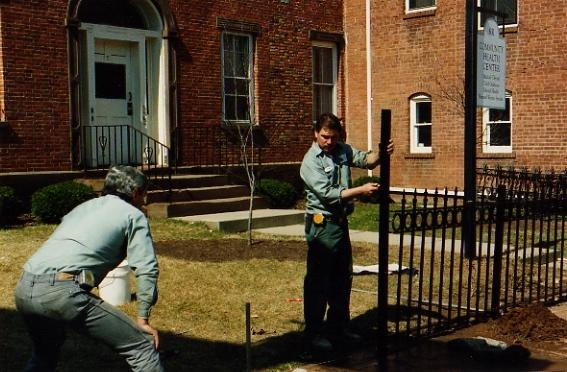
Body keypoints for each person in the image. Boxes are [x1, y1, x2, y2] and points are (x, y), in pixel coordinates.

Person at [14, 165, 163, 371]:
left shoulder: (83, 207)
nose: (144, 200)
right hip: (61, 292)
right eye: (144, 195)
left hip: (24, 286)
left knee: (45, 352)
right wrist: (143, 319)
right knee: (142, 346)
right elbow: (147, 268)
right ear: (136, 192)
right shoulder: (133, 215)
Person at [300, 113, 394, 352]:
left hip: (340, 224)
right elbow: (329, 193)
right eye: (324, 137)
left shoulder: (342, 150)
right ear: (315, 134)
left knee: (343, 278)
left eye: (333, 137)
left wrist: (382, 153)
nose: (329, 142)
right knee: (319, 281)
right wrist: (361, 190)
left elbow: (367, 160)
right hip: (322, 226)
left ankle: (338, 328)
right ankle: (313, 334)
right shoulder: (311, 161)